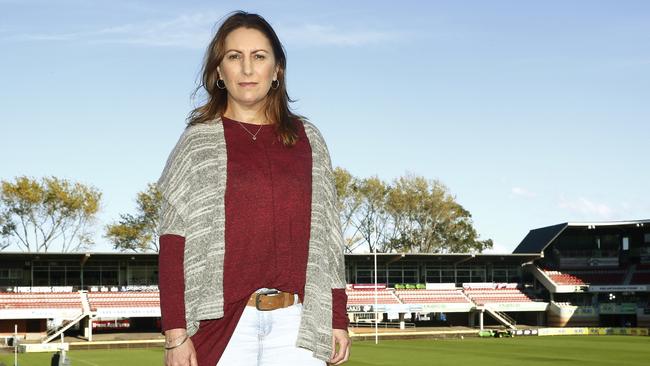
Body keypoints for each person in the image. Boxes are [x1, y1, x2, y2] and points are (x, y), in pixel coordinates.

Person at [156, 11, 351, 366]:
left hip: (298, 328)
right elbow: (172, 243)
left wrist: (337, 317)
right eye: (234, 57)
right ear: (219, 71)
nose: (247, 69)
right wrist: (175, 336)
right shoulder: (197, 143)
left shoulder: (309, 139)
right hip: (222, 328)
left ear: (277, 69)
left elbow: (328, 239)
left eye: (259, 56)